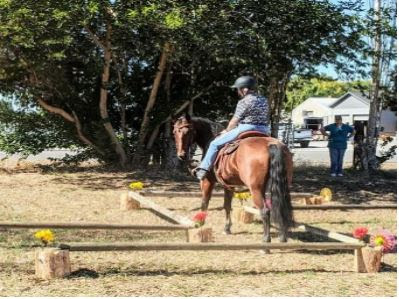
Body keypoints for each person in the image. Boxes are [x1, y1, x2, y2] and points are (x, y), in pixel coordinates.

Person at [193, 75, 270, 180]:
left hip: (246, 128)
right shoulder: (263, 100)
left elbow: (234, 120)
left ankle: (203, 169)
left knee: (214, 144)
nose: (238, 92)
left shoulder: (244, 101)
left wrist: (226, 131)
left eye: (238, 89)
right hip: (264, 129)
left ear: (244, 89)